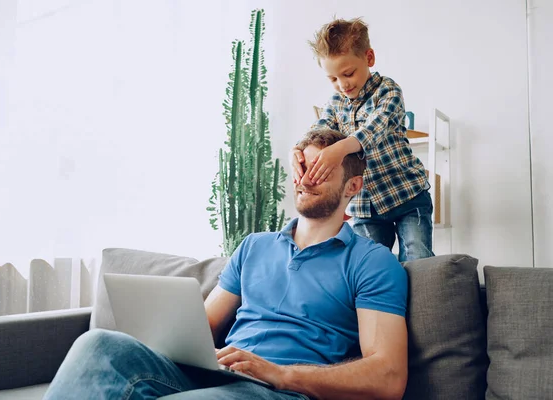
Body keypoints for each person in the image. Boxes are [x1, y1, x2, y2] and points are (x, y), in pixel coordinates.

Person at [44, 129, 409, 400]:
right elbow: (201, 326)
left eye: (320, 169)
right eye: (302, 166)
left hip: (277, 391)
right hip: (216, 374)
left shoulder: (371, 262)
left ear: (353, 186)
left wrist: (281, 374)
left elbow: (389, 376)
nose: (305, 178)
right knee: (97, 345)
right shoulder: (254, 246)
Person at [291, 17, 434, 262]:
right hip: (365, 208)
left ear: (368, 58)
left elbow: (375, 129)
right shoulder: (334, 104)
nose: (342, 84)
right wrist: (298, 150)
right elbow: (319, 130)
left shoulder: (388, 91)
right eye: (333, 79)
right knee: (368, 265)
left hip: (407, 195)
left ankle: (423, 301)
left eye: (348, 74)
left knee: (417, 258)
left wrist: (341, 148)